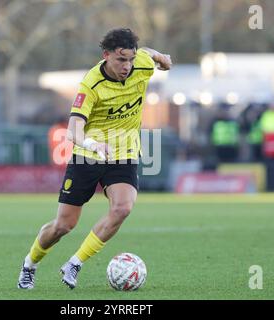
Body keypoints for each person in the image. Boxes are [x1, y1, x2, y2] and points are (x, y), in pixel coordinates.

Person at [17, 28, 172, 289]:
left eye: (130, 59)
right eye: (121, 60)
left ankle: (75, 263)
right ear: (106, 55)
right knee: (63, 226)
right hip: (88, 155)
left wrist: (161, 57)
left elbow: (147, 53)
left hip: (124, 153)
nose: (127, 66)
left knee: (123, 208)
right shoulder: (91, 84)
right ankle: (29, 264)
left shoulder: (141, 65)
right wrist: (92, 143)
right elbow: (73, 129)